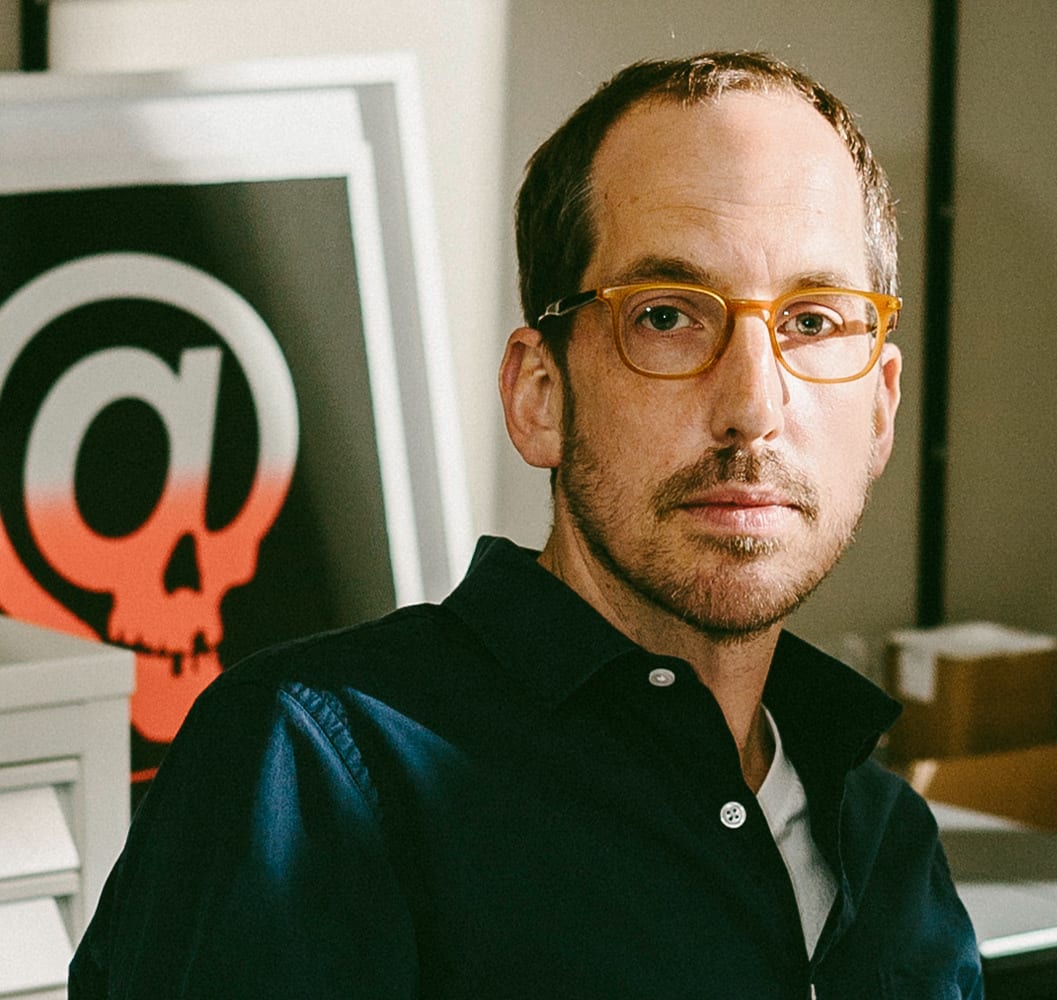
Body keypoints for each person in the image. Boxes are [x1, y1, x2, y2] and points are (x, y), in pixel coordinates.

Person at [69, 51, 983, 998]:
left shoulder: (889, 845)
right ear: (539, 395)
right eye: (667, 315)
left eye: (813, 321)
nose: (753, 403)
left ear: (879, 410)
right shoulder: (317, 771)